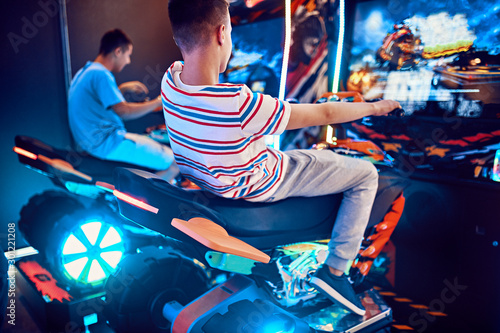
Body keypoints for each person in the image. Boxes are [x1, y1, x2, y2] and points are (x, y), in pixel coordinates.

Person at [163, 0, 401, 316]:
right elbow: (326, 112)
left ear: (179, 38)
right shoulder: (238, 103)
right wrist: (375, 107)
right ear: (223, 34)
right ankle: (335, 271)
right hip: (263, 182)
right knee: (366, 174)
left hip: (209, 183)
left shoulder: (171, 79)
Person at [68, 29, 178, 180]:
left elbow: (99, 105)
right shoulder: (101, 74)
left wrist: (123, 88)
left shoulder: (86, 71)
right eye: (128, 55)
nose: (128, 61)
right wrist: (159, 101)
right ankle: (145, 201)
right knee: (175, 163)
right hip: (108, 142)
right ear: (118, 51)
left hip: (91, 142)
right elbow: (123, 111)